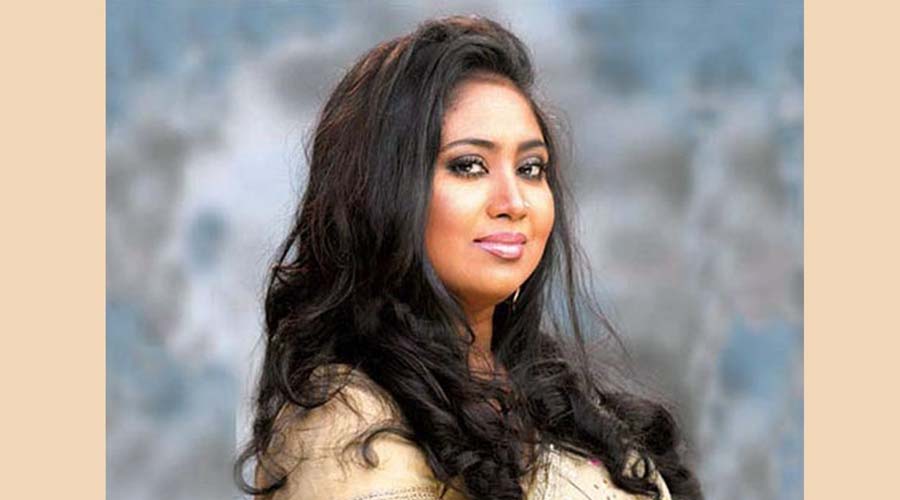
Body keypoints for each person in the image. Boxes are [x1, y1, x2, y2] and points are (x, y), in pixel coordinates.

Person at [235, 15, 703, 500]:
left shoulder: (554, 397)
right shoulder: (344, 421)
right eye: (469, 166)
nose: (514, 202)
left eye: (530, 168)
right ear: (381, 194)